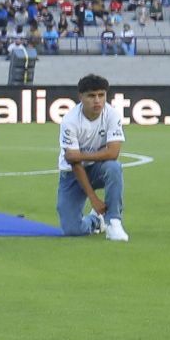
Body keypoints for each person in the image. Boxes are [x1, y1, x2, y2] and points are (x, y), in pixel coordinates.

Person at [57, 74, 128, 241]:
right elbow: (74, 164)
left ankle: (114, 222)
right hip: (73, 174)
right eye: (91, 96)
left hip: (97, 169)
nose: (97, 100)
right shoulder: (70, 121)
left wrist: (80, 155)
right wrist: (93, 199)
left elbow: (113, 153)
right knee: (72, 230)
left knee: (114, 167)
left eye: (101, 95)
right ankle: (96, 221)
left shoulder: (112, 115)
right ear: (81, 97)